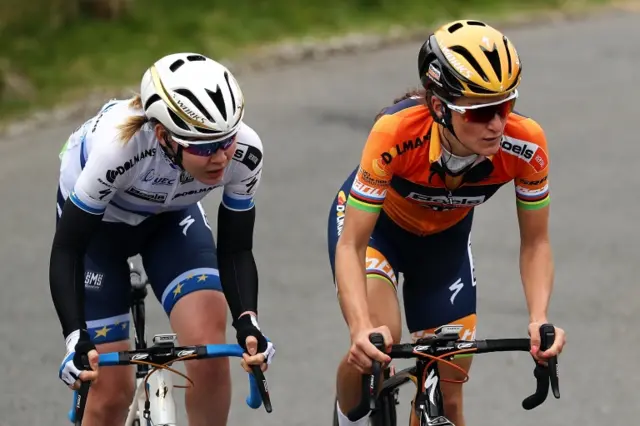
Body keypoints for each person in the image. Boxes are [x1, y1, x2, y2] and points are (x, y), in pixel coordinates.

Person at [327, 20, 566, 426]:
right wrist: (359, 328)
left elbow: (536, 243)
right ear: (439, 107)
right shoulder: (396, 132)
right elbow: (350, 244)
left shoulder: (526, 145)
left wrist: (539, 316)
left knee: (450, 398)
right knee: (380, 341)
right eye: (481, 111)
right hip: (377, 236)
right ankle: (346, 416)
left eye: (505, 106)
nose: (497, 124)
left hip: (444, 246)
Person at [51, 52, 275, 426]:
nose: (221, 157)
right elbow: (69, 249)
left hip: (171, 220)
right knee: (109, 393)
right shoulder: (119, 150)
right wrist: (76, 338)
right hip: (99, 233)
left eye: (227, 141)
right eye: (204, 147)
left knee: (208, 349)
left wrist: (248, 322)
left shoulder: (246, 152)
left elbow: (236, 248)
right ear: (163, 136)